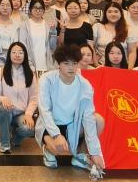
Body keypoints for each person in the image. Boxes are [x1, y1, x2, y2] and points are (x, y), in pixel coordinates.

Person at [35, 44, 104, 173]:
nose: (71, 67)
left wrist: (95, 153)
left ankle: (79, 155)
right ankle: (48, 151)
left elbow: (88, 118)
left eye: (74, 63)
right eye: (66, 63)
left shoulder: (85, 85)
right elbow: (44, 110)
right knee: (58, 148)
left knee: (98, 120)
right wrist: (56, 135)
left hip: (72, 125)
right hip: (50, 124)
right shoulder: (47, 79)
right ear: (59, 64)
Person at [0, 42, 38, 154]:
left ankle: (15, 138)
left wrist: (28, 114)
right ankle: (5, 144)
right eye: (14, 52)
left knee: (29, 129)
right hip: (4, 111)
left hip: (21, 113)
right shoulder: (1, 71)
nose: (17, 55)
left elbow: (34, 98)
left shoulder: (30, 74)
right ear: (9, 55)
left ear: (25, 55)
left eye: (21, 52)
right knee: (4, 109)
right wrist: (2, 99)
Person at [20, 0, 58, 76]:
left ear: (44, 10)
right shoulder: (25, 25)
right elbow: (23, 46)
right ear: (30, 9)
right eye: (35, 8)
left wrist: (53, 32)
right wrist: (29, 64)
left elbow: (53, 47)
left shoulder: (48, 25)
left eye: (40, 8)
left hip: (47, 65)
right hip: (30, 65)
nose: (38, 10)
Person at [0, 0, 20, 72]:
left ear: (11, 8)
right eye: (2, 5)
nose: (5, 8)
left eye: (8, 5)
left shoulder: (16, 25)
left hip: (12, 57)